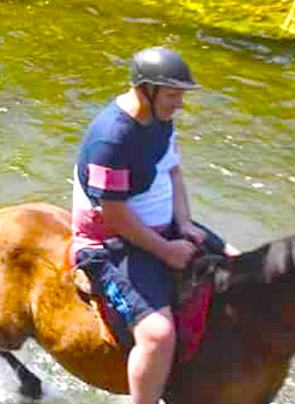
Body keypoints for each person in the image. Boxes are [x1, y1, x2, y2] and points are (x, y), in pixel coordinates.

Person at [70, 46, 239, 404]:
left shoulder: (160, 120)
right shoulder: (111, 140)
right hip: (113, 241)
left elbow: (173, 171)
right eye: (173, 95)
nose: (180, 104)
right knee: (158, 334)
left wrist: (184, 223)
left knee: (241, 265)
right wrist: (167, 250)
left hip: (165, 226)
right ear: (146, 89)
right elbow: (113, 214)